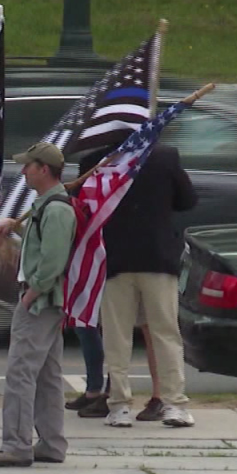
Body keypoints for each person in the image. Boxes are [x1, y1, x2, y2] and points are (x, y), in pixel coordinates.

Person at [0, 142, 75, 467]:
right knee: (48, 375)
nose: (23, 171)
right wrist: (14, 226)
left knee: (20, 373)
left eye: (29, 166)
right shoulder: (45, 205)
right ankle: (51, 442)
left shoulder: (58, 210)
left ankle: (16, 445)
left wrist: (31, 293)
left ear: (44, 170)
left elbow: (52, 260)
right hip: (45, 301)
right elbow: (39, 244)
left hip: (40, 303)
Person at [94, 141, 198, 428]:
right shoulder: (165, 156)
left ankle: (118, 404)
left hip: (116, 257)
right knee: (166, 332)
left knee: (116, 336)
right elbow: (188, 200)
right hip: (157, 255)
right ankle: (174, 402)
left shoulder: (102, 157)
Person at [67, 151, 166, 421]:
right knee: (102, 325)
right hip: (112, 251)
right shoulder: (96, 160)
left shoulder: (156, 157)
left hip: (129, 254)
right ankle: (106, 392)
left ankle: (149, 397)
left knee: (135, 329)